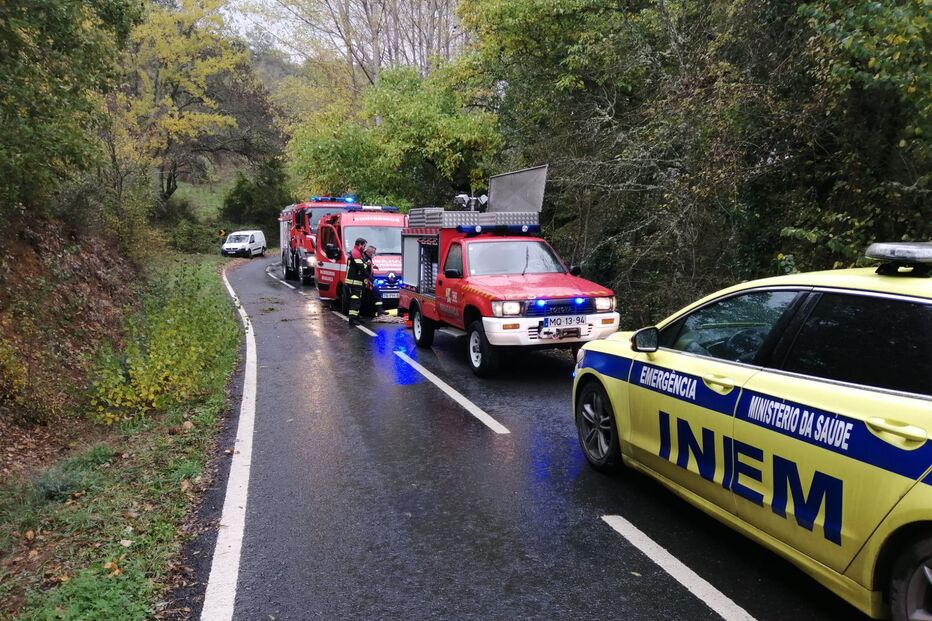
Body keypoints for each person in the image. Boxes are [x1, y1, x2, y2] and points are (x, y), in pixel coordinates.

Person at [345, 237, 367, 325]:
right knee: (355, 300)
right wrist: (367, 265)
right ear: (360, 244)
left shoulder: (356, 252)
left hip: (355, 281)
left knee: (357, 300)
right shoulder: (356, 253)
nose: (364, 248)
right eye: (364, 246)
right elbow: (361, 267)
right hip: (354, 281)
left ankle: (356, 316)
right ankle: (352, 319)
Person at [364, 245, 384, 316]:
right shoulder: (365, 258)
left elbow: (368, 267)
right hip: (366, 280)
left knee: (376, 293)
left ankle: (379, 310)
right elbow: (365, 271)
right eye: (374, 253)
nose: (374, 254)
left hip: (368, 279)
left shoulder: (367, 258)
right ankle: (379, 310)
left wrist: (373, 266)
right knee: (376, 292)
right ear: (370, 252)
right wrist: (373, 280)